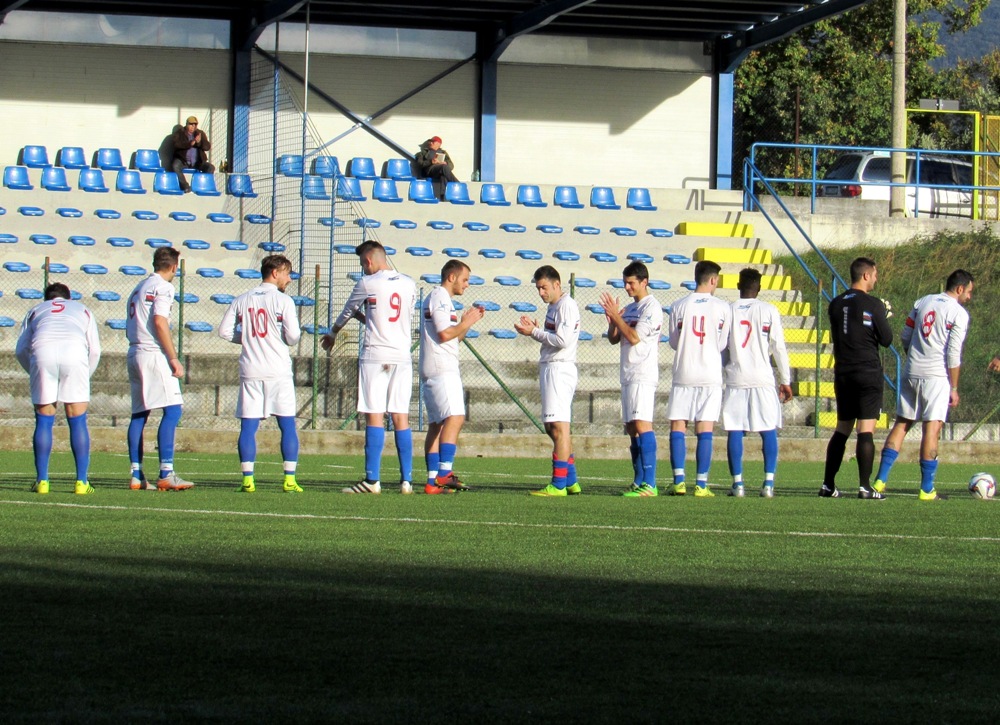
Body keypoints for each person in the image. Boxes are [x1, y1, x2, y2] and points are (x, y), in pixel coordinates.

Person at [322, 241, 417, 494]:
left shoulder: (367, 283)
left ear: (368, 261)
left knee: (374, 414)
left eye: (363, 264)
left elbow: (347, 311)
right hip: (401, 357)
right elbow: (394, 318)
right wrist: (366, 318)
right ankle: (407, 480)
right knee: (401, 416)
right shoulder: (409, 283)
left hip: (376, 355)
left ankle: (372, 480)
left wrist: (333, 333)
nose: (363, 268)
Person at [873, 270, 974, 501]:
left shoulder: (922, 302)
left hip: (911, 370)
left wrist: (914, 357)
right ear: (959, 289)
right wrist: (954, 388)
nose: (969, 297)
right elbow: (953, 353)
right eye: (969, 292)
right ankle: (927, 489)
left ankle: (879, 481)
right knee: (932, 429)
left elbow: (905, 336)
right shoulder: (958, 313)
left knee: (902, 424)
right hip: (936, 376)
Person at [219, 254, 303, 494]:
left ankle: (248, 480)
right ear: (275, 273)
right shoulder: (283, 301)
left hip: (251, 370)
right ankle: (289, 480)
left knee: (248, 426)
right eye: (287, 273)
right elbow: (293, 337)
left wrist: (247, 338)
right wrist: (277, 338)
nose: (289, 279)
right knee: (286, 424)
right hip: (278, 371)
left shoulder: (242, 299)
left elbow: (224, 331)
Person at [16, 283, 101, 495]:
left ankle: (42, 481)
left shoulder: (36, 310)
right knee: (77, 419)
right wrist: (84, 375)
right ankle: (81, 482)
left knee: (44, 419)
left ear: (47, 299)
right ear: (68, 298)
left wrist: (34, 370)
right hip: (74, 353)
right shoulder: (82, 309)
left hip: (42, 352)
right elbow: (95, 350)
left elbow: (21, 349)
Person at [820, 257, 893, 499]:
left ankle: (828, 485)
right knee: (865, 430)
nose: (876, 279)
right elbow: (886, 339)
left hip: (843, 372)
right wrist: (883, 316)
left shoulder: (836, 303)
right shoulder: (873, 303)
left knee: (842, 428)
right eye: (875, 274)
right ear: (865, 275)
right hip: (867, 372)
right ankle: (864, 487)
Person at [125, 247, 193, 491]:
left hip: (134, 352)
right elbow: (159, 320)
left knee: (139, 414)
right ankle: (166, 472)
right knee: (173, 410)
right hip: (153, 353)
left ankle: (136, 474)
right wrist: (173, 357)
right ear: (174, 267)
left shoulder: (139, 287)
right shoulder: (164, 287)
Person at [722, 268, 794, 498]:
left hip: (737, 378)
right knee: (768, 427)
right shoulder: (769, 310)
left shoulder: (729, 310)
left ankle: (738, 484)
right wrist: (786, 380)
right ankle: (768, 484)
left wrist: (726, 368)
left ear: (738, 285)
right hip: (763, 378)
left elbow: (722, 346)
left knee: (735, 428)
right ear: (759, 288)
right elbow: (778, 347)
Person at [666, 260, 732, 497]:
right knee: (705, 427)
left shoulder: (678, 305)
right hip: (710, 375)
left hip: (684, 372)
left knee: (678, 425)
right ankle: (701, 485)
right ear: (713, 280)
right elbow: (723, 343)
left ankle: (679, 482)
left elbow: (674, 342)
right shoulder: (723, 307)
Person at [515, 266, 582, 497]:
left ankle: (559, 484)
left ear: (557, 284)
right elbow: (553, 337)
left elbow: (562, 340)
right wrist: (536, 330)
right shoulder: (554, 306)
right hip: (551, 367)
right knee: (551, 427)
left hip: (559, 369)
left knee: (559, 427)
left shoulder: (566, 305)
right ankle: (571, 480)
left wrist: (534, 332)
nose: (541, 292)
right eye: (538, 288)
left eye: (544, 287)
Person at [419, 259, 485, 494]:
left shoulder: (441, 299)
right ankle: (444, 473)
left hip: (435, 366)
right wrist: (466, 322)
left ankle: (432, 481)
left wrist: (467, 323)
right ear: (452, 277)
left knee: (437, 425)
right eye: (465, 279)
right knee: (455, 417)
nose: (467, 284)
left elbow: (454, 337)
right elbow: (445, 334)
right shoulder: (440, 296)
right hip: (442, 368)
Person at [599, 262, 663, 496]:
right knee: (631, 427)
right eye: (625, 283)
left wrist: (617, 316)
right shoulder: (630, 308)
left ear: (644, 282)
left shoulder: (652, 307)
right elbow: (614, 338)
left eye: (631, 283)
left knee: (642, 424)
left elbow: (635, 337)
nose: (627, 287)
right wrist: (613, 320)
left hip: (643, 373)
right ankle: (639, 480)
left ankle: (650, 483)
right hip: (628, 373)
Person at [171, 115, 214, 193]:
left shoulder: (200, 133)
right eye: (191, 124)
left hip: (198, 162)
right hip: (183, 160)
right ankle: (185, 186)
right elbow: (176, 144)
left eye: (195, 124)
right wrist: (190, 144)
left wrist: (199, 143)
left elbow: (207, 147)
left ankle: (203, 186)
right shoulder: (180, 133)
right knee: (175, 166)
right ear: (187, 124)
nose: (193, 126)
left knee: (210, 167)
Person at [415, 135, 458, 200]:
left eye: (433, 142)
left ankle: (443, 196)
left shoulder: (443, 153)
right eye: (430, 142)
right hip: (429, 170)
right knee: (444, 167)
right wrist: (431, 162)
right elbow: (420, 163)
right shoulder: (423, 153)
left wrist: (445, 163)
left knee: (443, 176)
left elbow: (451, 165)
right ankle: (457, 184)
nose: (430, 143)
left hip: (440, 170)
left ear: (439, 144)